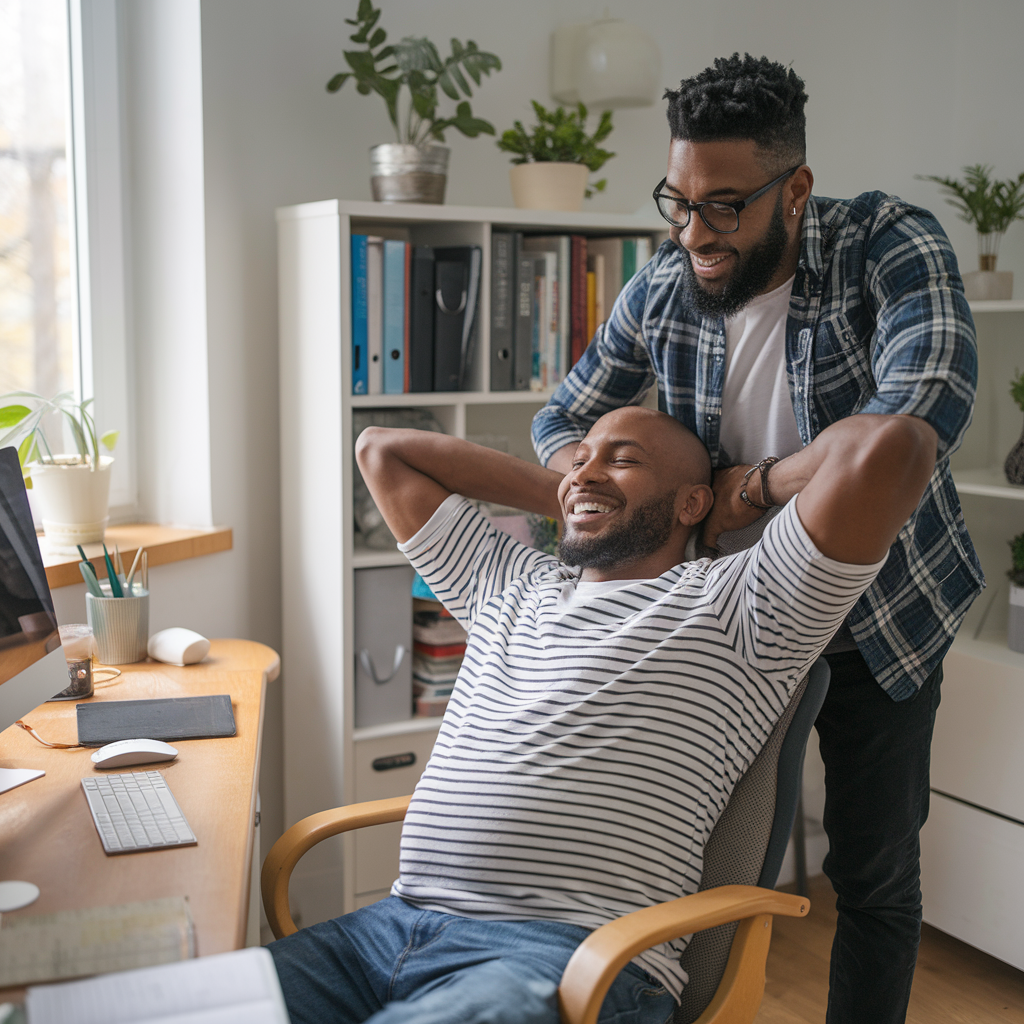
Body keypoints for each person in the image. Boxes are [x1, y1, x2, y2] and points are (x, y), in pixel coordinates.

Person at [530, 54, 983, 1024]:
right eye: (677, 201)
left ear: (797, 188)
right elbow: (559, 415)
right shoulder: (659, 287)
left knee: (871, 871)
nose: (692, 232)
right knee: (698, 860)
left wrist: (759, 487)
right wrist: (596, 466)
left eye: (723, 207)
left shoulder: (885, 243)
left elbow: (918, 409)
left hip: (881, 616)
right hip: (725, 623)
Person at [269, 403, 937, 1024]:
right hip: (384, 930)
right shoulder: (505, 582)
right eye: (579, 457)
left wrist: (749, 491)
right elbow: (381, 450)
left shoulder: (745, 604)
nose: (584, 468)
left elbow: (895, 445)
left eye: (621, 458)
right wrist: (580, 494)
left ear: (691, 502)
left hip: (561, 957)